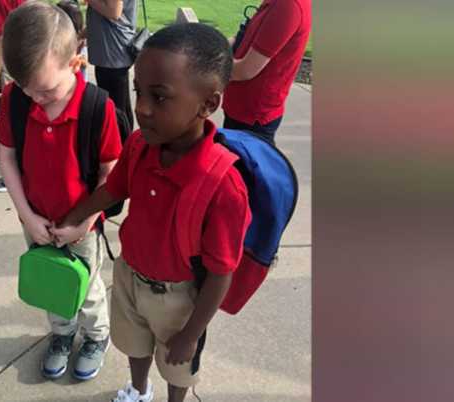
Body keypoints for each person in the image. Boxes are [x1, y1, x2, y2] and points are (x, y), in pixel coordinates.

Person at [53, 23, 251, 402]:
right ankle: (139, 390)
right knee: (134, 345)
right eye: (139, 92)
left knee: (178, 364)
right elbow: (114, 189)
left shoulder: (223, 185)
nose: (141, 108)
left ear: (208, 104)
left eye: (159, 97)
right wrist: (75, 215)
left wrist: (191, 334)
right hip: (129, 275)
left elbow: (221, 273)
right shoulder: (141, 145)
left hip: (178, 299)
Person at [0, 1, 122, 380]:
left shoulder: (97, 108)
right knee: (52, 282)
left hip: (81, 222)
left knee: (86, 287)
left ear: (75, 61)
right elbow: (7, 158)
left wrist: (86, 222)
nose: (36, 98)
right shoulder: (16, 100)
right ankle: (62, 334)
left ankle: (96, 335)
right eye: (25, 88)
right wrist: (27, 216)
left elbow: (109, 174)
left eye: (45, 90)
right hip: (36, 219)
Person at [222, 0, 311, 145]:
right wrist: (211, 46)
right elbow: (242, 37)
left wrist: (203, 66)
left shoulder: (288, 5)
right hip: (241, 108)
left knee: (244, 165)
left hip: (252, 117)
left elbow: (245, 70)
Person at [0, 0, 26, 192]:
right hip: (27, 58)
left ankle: (15, 176)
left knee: (15, 125)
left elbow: (2, 37)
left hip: (12, 64)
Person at [86, 0, 137, 131]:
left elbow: (114, 12)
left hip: (112, 52)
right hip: (111, 52)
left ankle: (121, 146)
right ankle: (126, 144)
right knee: (120, 106)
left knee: (115, 109)